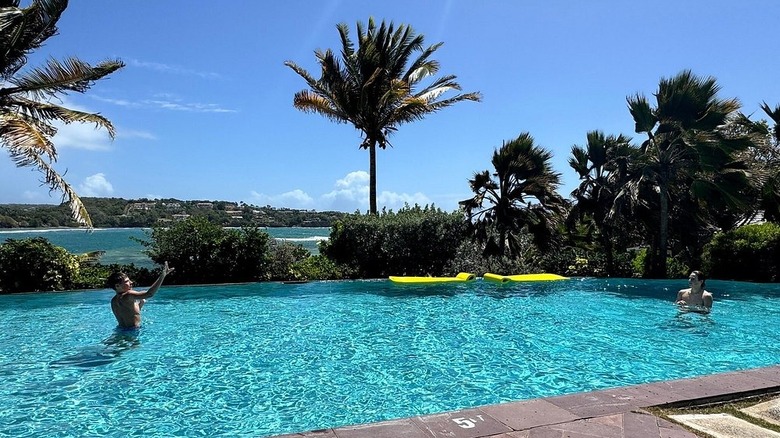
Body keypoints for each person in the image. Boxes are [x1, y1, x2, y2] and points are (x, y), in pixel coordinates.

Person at [108, 262, 174, 328]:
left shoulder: (113, 301)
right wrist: (162, 276)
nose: (131, 282)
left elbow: (128, 314)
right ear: (117, 286)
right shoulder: (128, 294)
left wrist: (140, 305)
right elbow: (149, 294)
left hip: (121, 330)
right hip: (133, 331)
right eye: (127, 281)